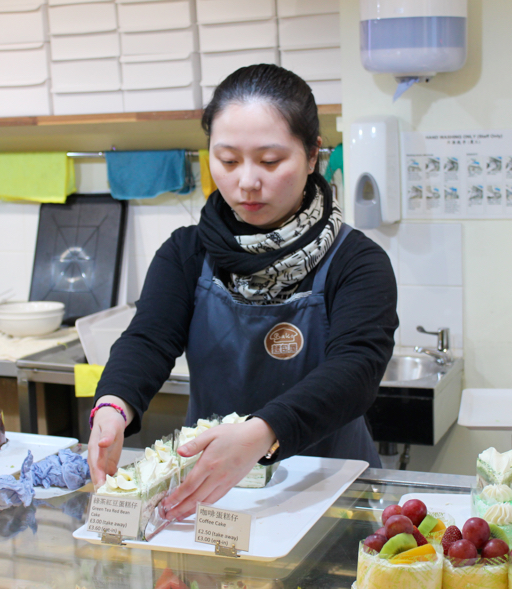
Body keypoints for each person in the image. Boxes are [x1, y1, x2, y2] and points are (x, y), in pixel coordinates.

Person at [88, 64, 398, 521]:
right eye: (228, 160)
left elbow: (356, 370)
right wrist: (114, 404)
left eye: (270, 161)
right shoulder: (186, 252)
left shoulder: (356, 261)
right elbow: (149, 339)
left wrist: (263, 432)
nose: (246, 181)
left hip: (329, 490)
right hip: (213, 490)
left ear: (313, 155)